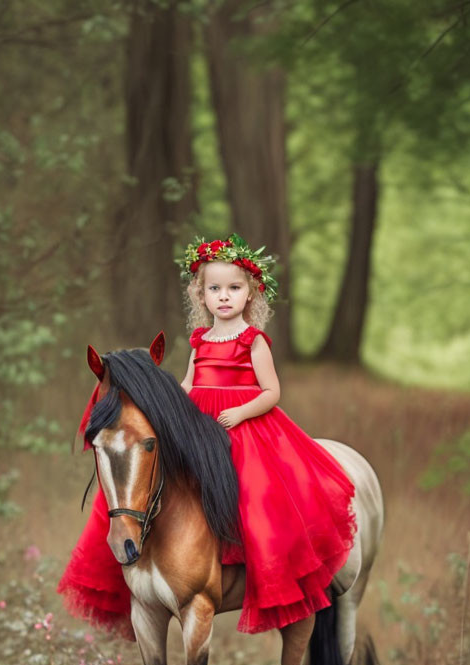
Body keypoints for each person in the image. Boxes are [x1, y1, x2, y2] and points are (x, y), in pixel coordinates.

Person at [57, 234, 356, 637]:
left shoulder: (254, 342)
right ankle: (174, 558)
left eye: (234, 288)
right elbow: (186, 384)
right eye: (214, 289)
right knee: (178, 487)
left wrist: (241, 412)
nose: (224, 297)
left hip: (245, 429)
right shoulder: (199, 341)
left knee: (253, 492)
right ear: (200, 294)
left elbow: (272, 392)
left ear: (250, 294)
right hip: (200, 424)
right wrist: (162, 407)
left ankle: (249, 565)